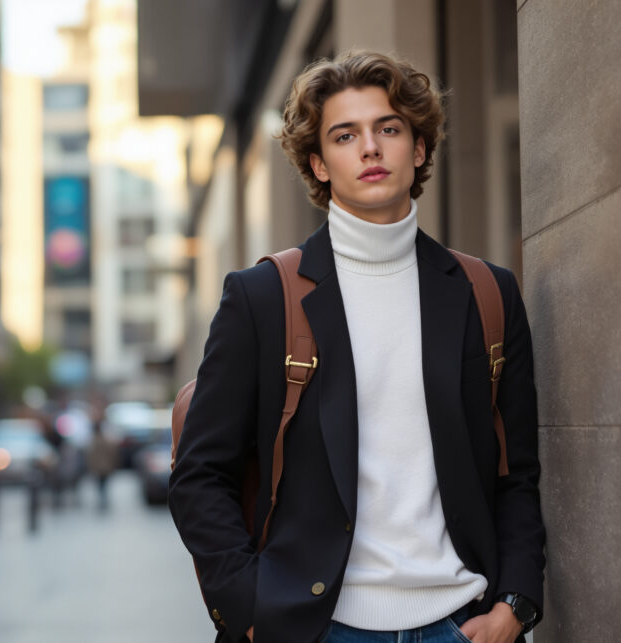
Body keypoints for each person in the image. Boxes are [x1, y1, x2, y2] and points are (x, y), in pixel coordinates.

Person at [168, 51, 545, 643]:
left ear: (418, 149)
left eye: (388, 129)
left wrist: (515, 606)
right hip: (317, 627)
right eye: (345, 135)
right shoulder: (264, 296)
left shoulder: (486, 293)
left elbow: (516, 472)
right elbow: (199, 476)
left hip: (462, 623)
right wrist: (250, 608)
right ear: (318, 163)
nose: (370, 148)